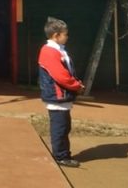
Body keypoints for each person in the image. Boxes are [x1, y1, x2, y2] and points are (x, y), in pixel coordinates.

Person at [38, 17, 85, 168]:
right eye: (65, 34)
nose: (67, 37)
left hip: (61, 96)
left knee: (64, 126)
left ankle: (63, 154)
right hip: (57, 96)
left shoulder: (58, 50)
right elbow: (61, 75)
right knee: (60, 127)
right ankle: (60, 156)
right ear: (56, 35)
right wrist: (76, 85)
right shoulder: (50, 52)